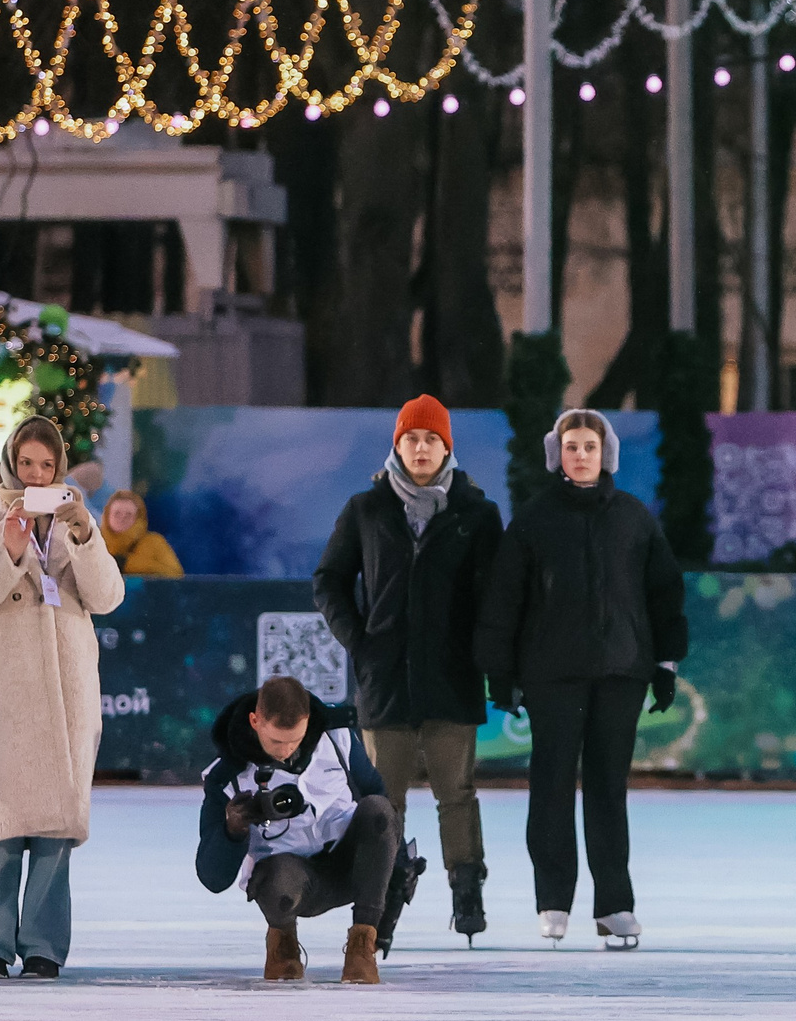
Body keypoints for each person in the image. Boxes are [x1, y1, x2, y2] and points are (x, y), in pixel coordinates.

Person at [475, 410, 687, 950]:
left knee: (607, 789)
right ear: (558, 454)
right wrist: (501, 672)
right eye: (571, 446)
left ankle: (614, 905)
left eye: (590, 446)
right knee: (550, 786)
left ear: (605, 453)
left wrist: (666, 664)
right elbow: (504, 599)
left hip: (621, 673)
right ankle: (553, 900)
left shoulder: (633, 518)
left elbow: (664, 593)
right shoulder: (534, 519)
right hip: (552, 676)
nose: (581, 455)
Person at [314, 393, 504, 943]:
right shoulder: (366, 509)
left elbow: (496, 598)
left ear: (447, 447)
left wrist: (484, 656)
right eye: (411, 439)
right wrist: (361, 642)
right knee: (383, 804)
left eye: (431, 439)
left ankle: (466, 891)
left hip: (452, 680)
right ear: (397, 446)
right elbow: (329, 580)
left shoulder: (477, 514)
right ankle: (382, 905)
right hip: (386, 681)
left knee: (456, 794)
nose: (421, 448)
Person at [0, 418, 125, 979]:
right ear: (10, 464)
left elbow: (107, 597)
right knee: (1, 821)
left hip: (68, 689)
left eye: (47, 465)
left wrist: (85, 537)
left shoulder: (76, 523)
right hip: (4, 689)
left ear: (59, 468)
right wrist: (8, 553)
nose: (37, 475)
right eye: (27, 464)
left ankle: (45, 945)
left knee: (55, 827)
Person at [193, 674, 410, 982]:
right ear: (255, 721)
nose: (285, 750)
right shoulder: (225, 776)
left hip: (352, 867)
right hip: (290, 882)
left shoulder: (338, 740)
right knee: (275, 877)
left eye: (294, 740)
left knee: (378, 809)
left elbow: (381, 807)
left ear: (308, 720)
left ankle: (362, 946)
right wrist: (234, 829)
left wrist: (398, 871)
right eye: (276, 741)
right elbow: (212, 878)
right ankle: (282, 946)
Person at [101, 490, 184, 578]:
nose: (122, 518)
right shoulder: (95, 542)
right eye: (117, 513)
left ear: (138, 517)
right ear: (107, 516)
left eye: (128, 515)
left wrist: (127, 563)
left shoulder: (154, 543)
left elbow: (176, 574)